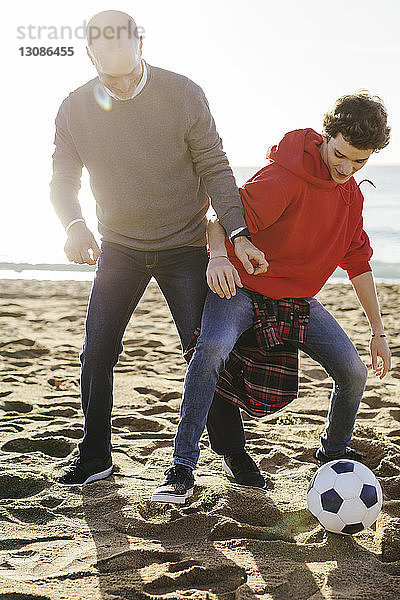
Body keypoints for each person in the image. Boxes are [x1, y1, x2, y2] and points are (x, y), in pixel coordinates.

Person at [50, 10, 267, 486]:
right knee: (96, 350)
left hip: (184, 244)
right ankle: (95, 456)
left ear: (139, 43)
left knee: (204, 348)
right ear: (90, 54)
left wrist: (237, 234)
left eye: (121, 41)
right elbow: (64, 178)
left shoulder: (183, 93)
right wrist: (73, 224)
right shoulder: (74, 107)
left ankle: (231, 453)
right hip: (120, 246)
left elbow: (216, 168)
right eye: (101, 45)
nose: (113, 50)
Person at [152, 92, 392, 504]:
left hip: (295, 300)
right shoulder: (283, 178)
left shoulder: (351, 195)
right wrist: (218, 259)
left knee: (353, 371)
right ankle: (182, 467)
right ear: (325, 135)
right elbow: (218, 217)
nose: (346, 168)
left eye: (359, 162)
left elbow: (359, 262)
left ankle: (333, 451)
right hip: (241, 290)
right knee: (209, 351)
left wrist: (378, 331)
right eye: (340, 154)